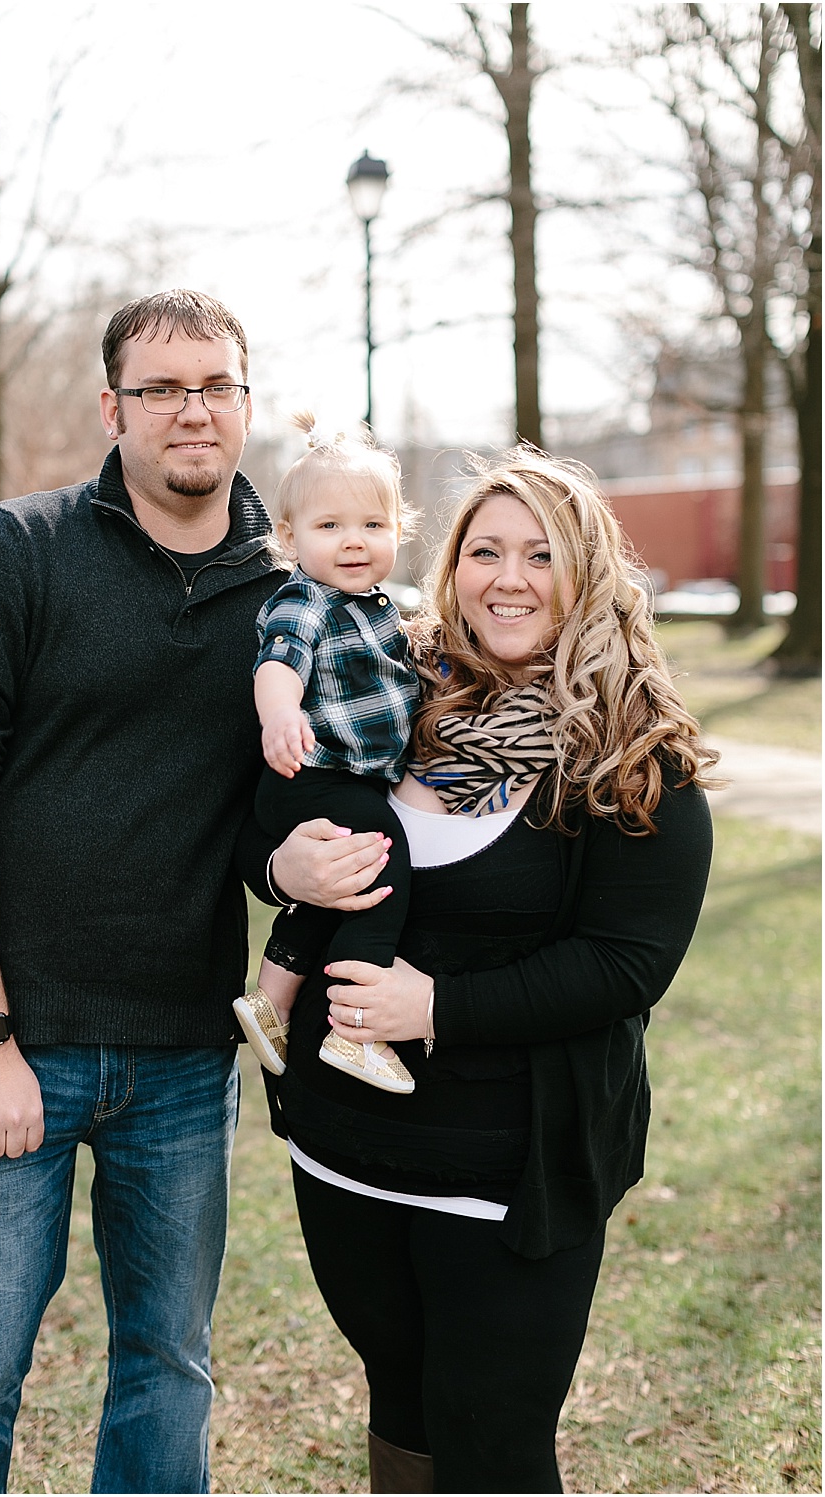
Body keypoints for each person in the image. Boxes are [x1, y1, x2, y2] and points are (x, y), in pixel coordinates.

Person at [0, 289, 388, 1496]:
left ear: (247, 406)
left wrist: (288, 869)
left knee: (170, 1369)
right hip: (14, 1044)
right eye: (160, 388)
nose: (190, 410)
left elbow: (272, 815)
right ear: (113, 408)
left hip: (181, 1059)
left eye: (215, 385)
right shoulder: (22, 548)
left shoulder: (292, 596)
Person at [248, 445, 718, 1495]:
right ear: (450, 564)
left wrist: (434, 1006)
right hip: (343, 1149)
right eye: (485, 551)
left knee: (492, 1440)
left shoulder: (632, 753)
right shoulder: (389, 690)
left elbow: (625, 965)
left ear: (587, 572)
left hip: (509, 1174)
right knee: (401, 1406)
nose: (509, 578)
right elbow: (268, 817)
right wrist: (282, 867)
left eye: (541, 555)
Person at [234, 412, 420, 1096]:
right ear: (290, 538)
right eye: (330, 525)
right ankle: (355, 1028)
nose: (354, 541)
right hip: (311, 773)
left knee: (332, 888)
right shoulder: (306, 600)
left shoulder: (383, 608)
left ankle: (271, 1000)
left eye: (373, 524)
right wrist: (280, 714)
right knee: (381, 868)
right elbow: (278, 662)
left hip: (343, 780)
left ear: (398, 530)